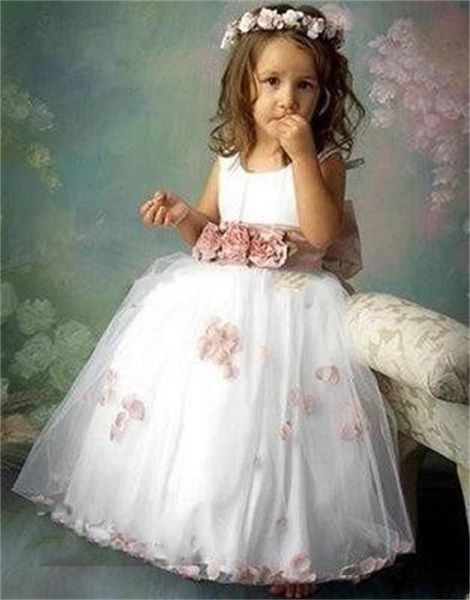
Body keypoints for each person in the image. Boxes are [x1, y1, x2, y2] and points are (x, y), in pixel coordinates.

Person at [11, 3, 415, 599]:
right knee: (212, 423)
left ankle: (293, 553)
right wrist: (182, 214)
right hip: (218, 309)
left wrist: (304, 155)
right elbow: (208, 232)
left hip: (294, 310)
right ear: (244, 85)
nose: (287, 99)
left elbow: (322, 233)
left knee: (287, 434)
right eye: (272, 81)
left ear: (324, 93)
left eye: (304, 85)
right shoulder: (229, 157)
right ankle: (198, 529)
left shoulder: (324, 158)